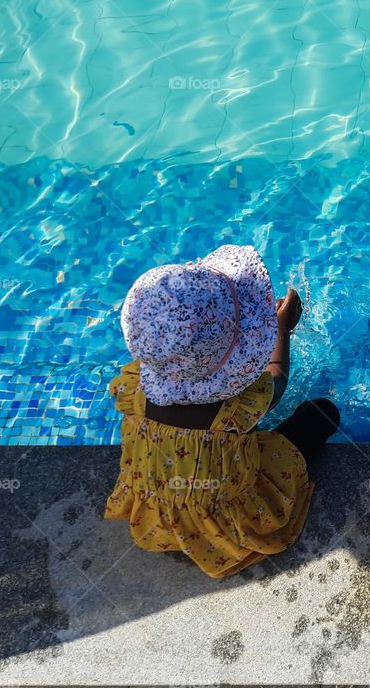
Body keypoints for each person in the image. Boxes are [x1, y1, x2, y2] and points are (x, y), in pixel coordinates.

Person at [104, 244, 339, 577]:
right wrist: (281, 331)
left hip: (156, 516)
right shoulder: (235, 408)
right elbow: (278, 379)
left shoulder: (133, 387)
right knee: (322, 412)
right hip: (225, 522)